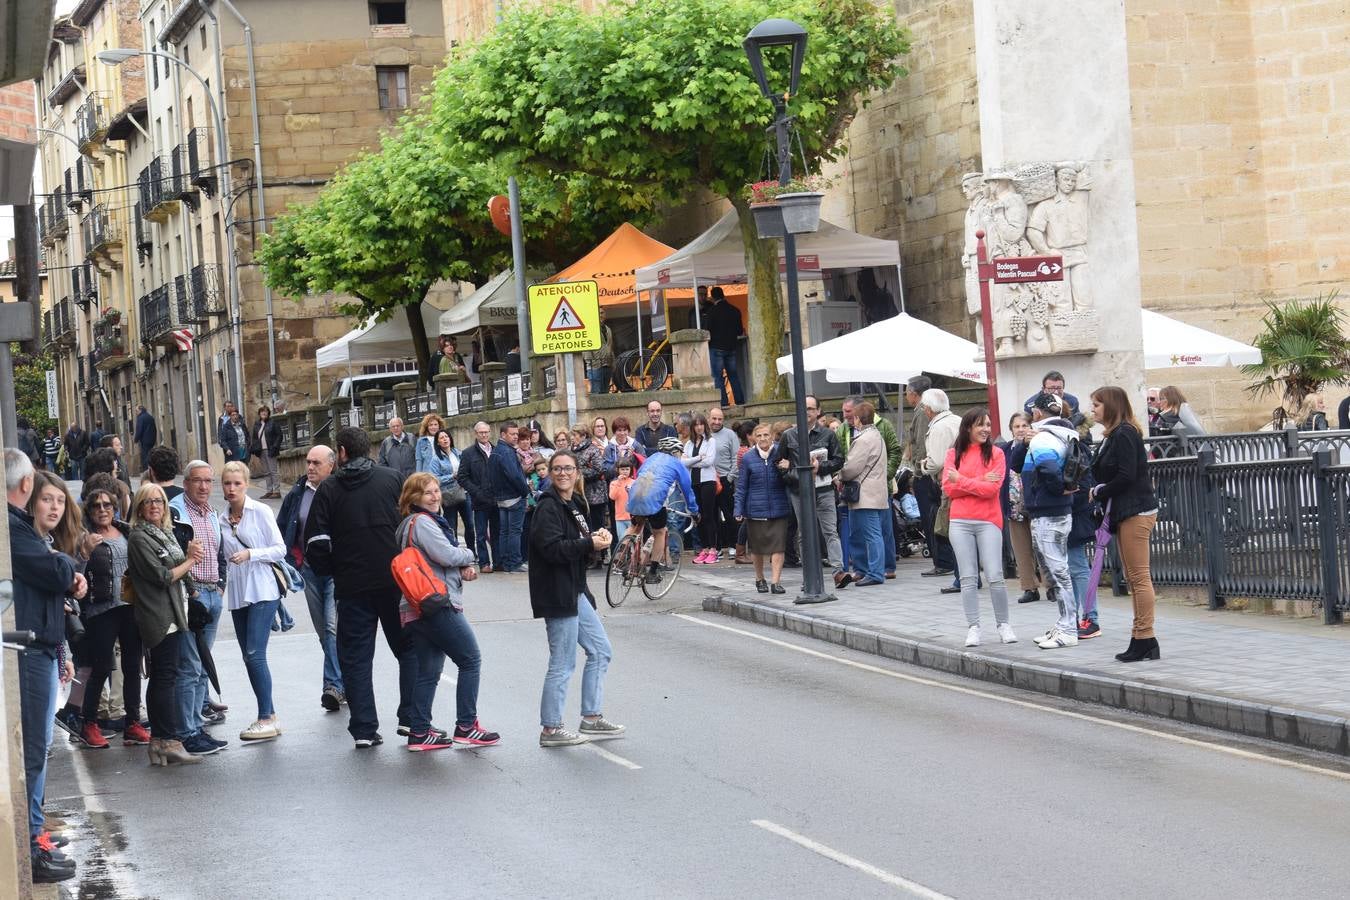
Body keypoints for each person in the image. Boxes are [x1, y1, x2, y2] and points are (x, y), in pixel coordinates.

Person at [304, 426, 416, 748]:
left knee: (355, 658)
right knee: (408, 649)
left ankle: (364, 729)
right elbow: (412, 524)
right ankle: (410, 718)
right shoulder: (392, 479)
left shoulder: (329, 489)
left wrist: (334, 570)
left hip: (352, 586)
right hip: (395, 582)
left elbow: (315, 541)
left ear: (340, 453)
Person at [9, 453, 88, 883]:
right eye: (47, 499)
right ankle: (32, 839)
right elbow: (54, 572)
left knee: (40, 748)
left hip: (45, 647)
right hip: (31, 650)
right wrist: (70, 571)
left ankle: (35, 832)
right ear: (29, 496)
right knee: (35, 749)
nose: (55, 508)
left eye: (61, 501)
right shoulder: (21, 534)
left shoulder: (40, 541)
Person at [396, 473, 500, 750]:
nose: (435, 496)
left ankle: (419, 732)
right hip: (437, 604)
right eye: (427, 493)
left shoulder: (407, 526)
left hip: (414, 607)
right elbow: (447, 555)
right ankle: (467, 725)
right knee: (470, 660)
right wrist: (468, 555)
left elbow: (437, 560)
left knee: (428, 671)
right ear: (413, 498)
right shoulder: (424, 523)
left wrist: (456, 565)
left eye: (436, 491)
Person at [528, 449, 622, 747]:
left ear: (577, 473)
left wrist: (597, 541)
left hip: (575, 590)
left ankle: (591, 718)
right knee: (563, 662)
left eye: (568, 468)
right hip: (556, 593)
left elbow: (581, 547)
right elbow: (552, 550)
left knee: (600, 650)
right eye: (557, 469)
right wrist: (587, 543)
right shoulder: (548, 507)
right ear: (551, 473)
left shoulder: (575, 503)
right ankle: (551, 729)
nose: (563, 473)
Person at [127, 482, 206, 768]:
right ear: (139, 507)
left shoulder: (164, 532)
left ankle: (161, 742)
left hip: (176, 612)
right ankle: (169, 741)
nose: (155, 506)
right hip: (159, 616)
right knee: (165, 677)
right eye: (148, 502)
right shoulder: (139, 537)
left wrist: (192, 583)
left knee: (165, 676)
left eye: (159, 501)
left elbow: (178, 572)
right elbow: (162, 576)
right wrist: (189, 560)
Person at [72, 486, 148, 749]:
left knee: (131, 666)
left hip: (130, 607)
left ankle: (133, 724)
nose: (102, 510)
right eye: (96, 506)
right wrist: (84, 553)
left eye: (107, 505)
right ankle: (89, 724)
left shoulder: (127, 531)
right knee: (102, 666)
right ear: (89, 511)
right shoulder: (84, 538)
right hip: (100, 610)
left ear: (115, 508)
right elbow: (74, 575)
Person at [1090, 387, 1161, 662]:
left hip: (1136, 511)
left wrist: (1099, 491)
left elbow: (1126, 476)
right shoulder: (1113, 435)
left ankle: (1144, 637)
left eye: (1096, 404)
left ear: (1110, 406)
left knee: (1140, 578)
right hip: (1126, 511)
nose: (1093, 409)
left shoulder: (1125, 434)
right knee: (1134, 578)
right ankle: (1143, 638)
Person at [218, 461, 287, 741]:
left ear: (246, 484)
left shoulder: (260, 511)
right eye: (227, 483)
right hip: (237, 590)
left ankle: (265, 717)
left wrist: (251, 554)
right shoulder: (221, 518)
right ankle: (269, 714)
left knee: (254, 653)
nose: (232, 488)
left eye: (237, 483)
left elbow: (280, 549)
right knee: (248, 657)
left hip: (262, 588)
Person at [278, 445, 345, 711]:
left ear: (331, 466)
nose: (310, 468)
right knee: (322, 632)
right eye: (308, 462)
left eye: (316, 463)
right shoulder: (298, 493)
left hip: (336, 572)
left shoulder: (340, 491)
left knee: (331, 628)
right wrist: (290, 560)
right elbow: (283, 527)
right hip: (308, 570)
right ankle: (345, 680)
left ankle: (333, 686)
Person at [168, 461, 230, 749]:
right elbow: (170, 556)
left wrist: (220, 586)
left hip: (212, 593)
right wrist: (190, 593)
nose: (204, 486)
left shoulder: (212, 512)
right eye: (197, 481)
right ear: (186, 483)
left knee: (203, 665)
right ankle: (186, 733)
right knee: (190, 665)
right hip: (190, 597)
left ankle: (197, 726)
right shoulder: (176, 513)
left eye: (208, 481)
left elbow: (220, 553)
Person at [1010, 393, 1079, 650]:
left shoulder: (1043, 439)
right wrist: (1021, 443)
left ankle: (1069, 628)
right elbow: (1017, 465)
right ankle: (1063, 623)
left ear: (1037, 413)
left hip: (1048, 512)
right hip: (1052, 511)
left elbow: (1048, 469)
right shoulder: (1062, 434)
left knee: (1059, 573)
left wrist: (1059, 488)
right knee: (1056, 570)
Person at [942, 409, 1016, 647]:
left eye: (987, 424)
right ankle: (973, 627)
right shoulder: (953, 454)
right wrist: (980, 481)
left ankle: (1003, 624)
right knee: (968, 577)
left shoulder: (997, 454)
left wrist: (961, 480)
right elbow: (948, 489)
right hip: (960, 521)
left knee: (995, 575)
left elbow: (992, 491)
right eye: (980, 425)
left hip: (989, 520)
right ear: (967, 428)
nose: (985, 429)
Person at [776, 395, 846, 583]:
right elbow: (779, 465)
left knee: (830, 530)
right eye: (803, 407)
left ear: (817, 411)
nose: (806, 411)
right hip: (800, 491)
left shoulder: (828, 434)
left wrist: (820, 468)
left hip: (823, 489)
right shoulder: (788, 435)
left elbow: (839, 460)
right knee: (804, 532)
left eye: (810, 408)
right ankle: (809, 576)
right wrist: (798, 476)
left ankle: (838, 571)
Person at [626, 437, 700, 581]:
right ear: (674, 452)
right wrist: (694, 511)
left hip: (635, 496)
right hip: (654, 500)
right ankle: (652, 572)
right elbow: (687, 489)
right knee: (660, 532)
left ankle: (624, 560)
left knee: (635, 527)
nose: (680, 456)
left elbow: (639, 474)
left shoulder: (650, 459)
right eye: (679, 452)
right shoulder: (676, 464)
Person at [735, 422, 791, 593]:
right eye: (759, 436)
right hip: (756, 509)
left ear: (772, 436)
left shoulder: (780, 454)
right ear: (754, 438)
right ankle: (760, 578)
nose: (763, 439)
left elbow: (791, 476)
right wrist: (738, 509)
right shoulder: (748, 458)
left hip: (779, 506)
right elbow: (742, 486)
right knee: (757, 549)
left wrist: (788, 466)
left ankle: (776, 582)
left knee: (778, 546)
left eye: (766, 435)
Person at [1000, 412, 1049, 605]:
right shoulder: (1004, 449)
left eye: (1024, 425)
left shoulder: (1038, 445)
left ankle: (1051, 586)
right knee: (1021, 549)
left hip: (1035, 502)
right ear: (1011, 429)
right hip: (1013, 504)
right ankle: (1029, 587)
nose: (1020, 429)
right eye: (1016, 426)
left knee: (1043, 546)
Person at [839, 401, 888, 586]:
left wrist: (839, 476)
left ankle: (874, 573)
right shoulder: (877, 436)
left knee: (870, 535)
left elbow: (851, 468)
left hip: (865, 495)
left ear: (858, 419)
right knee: (863, 534)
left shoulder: (863, 439)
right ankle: (862, 570)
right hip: (874, 493)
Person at [917, 389, 960, 585]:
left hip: (947, 482)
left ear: (928, 409)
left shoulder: (938, 427)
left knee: (947, 527)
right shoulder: (957, 420)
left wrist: (923, 466)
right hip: (962, 479)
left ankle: (957, 572)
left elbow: (935, 462)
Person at [489, 421, 530, 573]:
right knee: (514, 531)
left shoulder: (496, 451)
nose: (515, 437)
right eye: (512, 434)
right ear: (503, 434)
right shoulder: (506, 452)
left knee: (505, 531)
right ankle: (514, 563)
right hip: (513, 497)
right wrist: (525, 491)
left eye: (516, 434)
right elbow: (514, 475)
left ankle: (506, 562)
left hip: (501, 498)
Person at [457, 421, 497, 571]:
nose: (484, 435)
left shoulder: (496, 450)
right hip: (479, 499)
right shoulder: (468, 453)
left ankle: (498, 561)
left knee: (497, 532)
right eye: (481, 432)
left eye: (486, 432)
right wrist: (477, 492)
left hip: (496, 498)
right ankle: (484, 563)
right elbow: (462, 477)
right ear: (476, 434)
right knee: (480, 533)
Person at [684, 414, 721, 564]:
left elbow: (710, 461)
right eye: (696, 425)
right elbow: (683, 462)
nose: (699, 427)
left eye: (701, 424)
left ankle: (713, 549)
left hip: (708, 481)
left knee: (708, 515)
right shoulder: (689, 444)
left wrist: (693, 462)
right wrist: (698, 458)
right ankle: (704, 548)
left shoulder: (710, 441)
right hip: (694, 482)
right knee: (697, 516)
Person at [708, 407, 740, 559]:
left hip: (725, 479)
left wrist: (729, 478)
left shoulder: (730, 434)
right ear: (709, 418)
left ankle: (733, 545)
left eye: (720, 419)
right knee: (712, 516)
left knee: (729, 514)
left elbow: (736, 458)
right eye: (714, 418)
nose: (717, 422)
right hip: (708, 480)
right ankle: (717, 547)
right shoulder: (704, 434)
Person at [705, 286, 745, 407]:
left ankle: (723, 403)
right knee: (733, 375)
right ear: (723, 295)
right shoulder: (735, 310)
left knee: (718, 376)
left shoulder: (712, 311)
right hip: (731, 347)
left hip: (716, 347)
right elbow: (739, 331)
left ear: (712, 297)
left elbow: (707, 330)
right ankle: (740, 401)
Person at [571, 422, 609, 541]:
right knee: (583, 527)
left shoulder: (593, 449)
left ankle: (601, 555)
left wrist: (578, 473)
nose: (572, 438)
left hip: (595, 496)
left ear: (583, 435)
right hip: (578, 495)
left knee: (597, 527)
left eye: (575, 435)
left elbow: (599, 470)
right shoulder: (571, 450)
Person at [250, 406, 284, 498]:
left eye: (265, 412)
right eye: (262, 412)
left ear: (268, 414)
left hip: (270, 450)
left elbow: (279, 435)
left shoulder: (273, 423)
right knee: (266, 472)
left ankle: (276, 491)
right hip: (261, 451)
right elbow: (255, 437)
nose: (264, 414)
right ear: (259, 414)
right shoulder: (257, 424)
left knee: (273, 471)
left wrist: (275, 447)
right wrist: (254, 447)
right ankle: (269, 491)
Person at [378, 416, 417, 481]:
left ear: (402, 426)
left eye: (397, 426)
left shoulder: (411, 438)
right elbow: (382, 463)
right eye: (393, 426)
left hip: (412, 479)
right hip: (395, 480)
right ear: (390, 429)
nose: (396, 428)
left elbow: (418, 457)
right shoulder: (386, 442)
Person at [585, 313, 615, 394]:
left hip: (607, 365)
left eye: (602, 313)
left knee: (605, 392)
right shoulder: (590, 329)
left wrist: (612, 363)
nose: (600, 315)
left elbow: (610, 346)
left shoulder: (607, 329)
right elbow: (586, 347)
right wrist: (592, 362)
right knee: (596, 393)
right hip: (595, 367)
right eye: (598, 313)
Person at [608, 460, 635, 541]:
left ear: (630, 470)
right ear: (618, 470)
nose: (625, 471)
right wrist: (619, 483)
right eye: (622, 469)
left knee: (633, 541)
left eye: (627, 469)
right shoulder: (614, 483)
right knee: (622, 541)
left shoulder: (634, 482)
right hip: (620, 517)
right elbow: (612, 496)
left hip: (632, 516)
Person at [133, 405, 158, 473]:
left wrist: (136, 439)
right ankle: (152, 469)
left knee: (144, 455)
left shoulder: (140, 418)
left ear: (140, 410)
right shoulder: (150, 417)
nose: (136, 412)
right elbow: (155, 429)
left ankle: (146, 471)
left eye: (136, 411)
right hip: (152, 440)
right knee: (150, 454)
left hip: (144, 440)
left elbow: (139, 430)